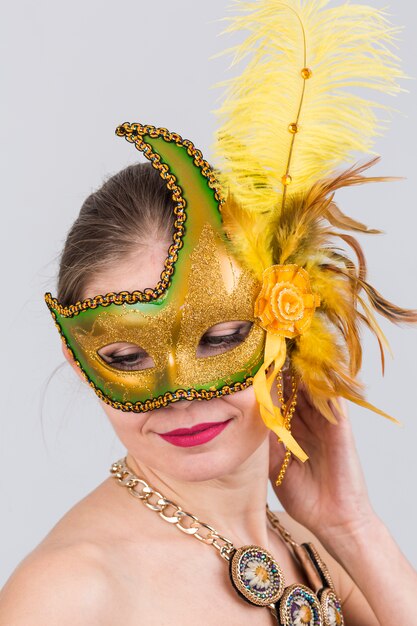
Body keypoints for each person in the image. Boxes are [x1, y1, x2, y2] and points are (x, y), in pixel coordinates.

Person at [1, 1, 417, 625]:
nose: (178, 396)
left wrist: (350, 525)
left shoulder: (313, 550)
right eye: (124, 356)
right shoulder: (71, 594)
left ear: (289, 322)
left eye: (221, 338)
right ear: (78, 359)